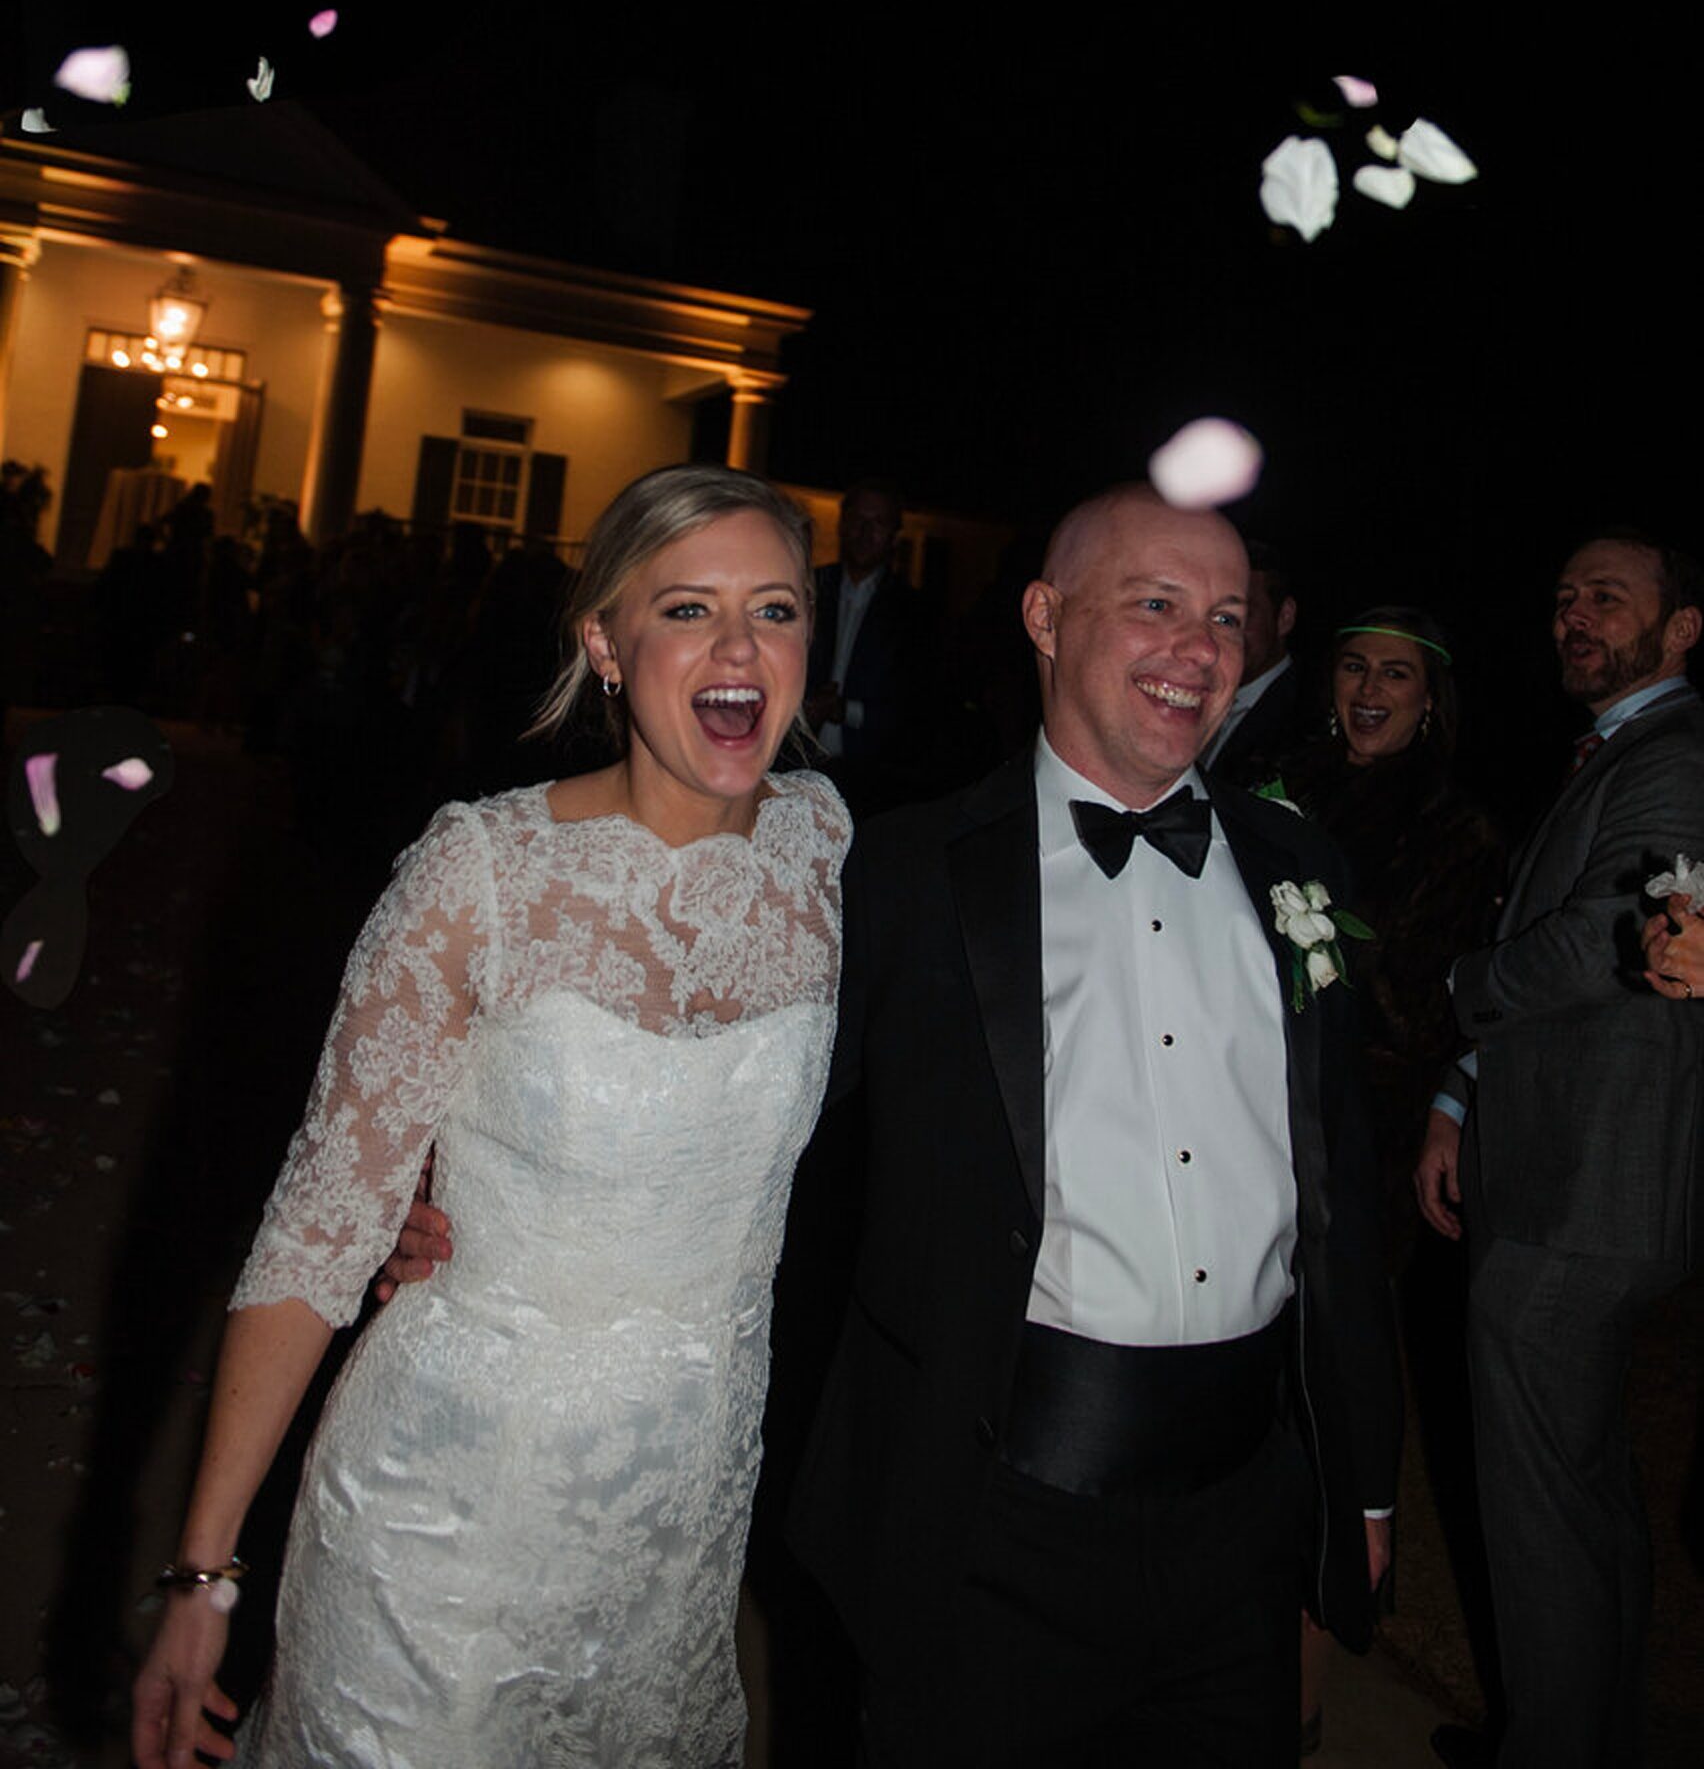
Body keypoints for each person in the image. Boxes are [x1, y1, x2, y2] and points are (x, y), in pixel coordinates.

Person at [132, 463, 851, 1769]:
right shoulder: (484, 878)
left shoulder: (825, 855)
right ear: (606, 645)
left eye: (778, 609)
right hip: (442, 1527)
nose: (741, 648)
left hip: (676, 1547)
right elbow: (320, 1227)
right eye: (687, 610)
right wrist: (201, 1580)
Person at [788, 484, 1401, 1766]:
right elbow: (763, 1146)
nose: (1199, 649)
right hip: (987, 1519)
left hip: (1243, 1523)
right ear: (1046, 617)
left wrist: (1365, 1478)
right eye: (1157, 605)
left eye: (1228, 618)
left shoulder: (1304, 872)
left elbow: (1347, 1199)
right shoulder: (901, 875)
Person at [1415, 529, 1704, 1769]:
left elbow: (1608, 935)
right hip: (1561, 1162)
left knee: (1540, 1507)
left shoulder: (1675, 753)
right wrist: (1465, 1092)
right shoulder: (1618, 749)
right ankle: (1591, 1734)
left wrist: (1456, 986)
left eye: (1607, 597)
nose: (1573, 616)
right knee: (1583, 1497)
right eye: (1563, 598)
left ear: (1681, 627)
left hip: (1585, 1186)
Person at [1281, 607, 1504, 1751]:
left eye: (1398, 673)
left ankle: (1306, 1702)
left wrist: (1307, 951)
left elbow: (1427, 1006)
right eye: (1358, 666)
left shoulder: (1452, 823)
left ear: (1432, 697)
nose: (1373, 688)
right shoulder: (1285, 776)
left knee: (1336, 1396)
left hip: (1360, 1140)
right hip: (1253, 1118)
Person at [804, 479, 932, 815]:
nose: (865, 532)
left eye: (878, 523)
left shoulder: (913, 611)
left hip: (873, 781)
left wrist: (847, 710)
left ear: (894, 535)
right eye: (858, 519)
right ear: (842, 523)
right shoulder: (807, 587)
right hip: (798, 764)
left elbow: (917, 706)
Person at [1202, 537, 1303, 789]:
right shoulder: (1192, 689)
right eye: (1217, 616)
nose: (1220, 633)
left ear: (1284, 617)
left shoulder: (1306, 719)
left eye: (1240, 616)